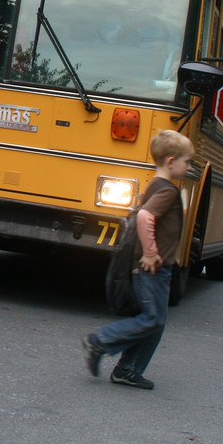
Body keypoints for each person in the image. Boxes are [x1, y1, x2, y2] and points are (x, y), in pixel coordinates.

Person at [81, 130, 193, 390]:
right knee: (152, 319)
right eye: (187, 162)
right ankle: (99, 340)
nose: (189, 167)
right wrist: (151, 252)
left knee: (156, 322)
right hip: (153, 268)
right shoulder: (168, 192)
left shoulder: (155, 184)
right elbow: (145, 217)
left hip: (153, 268)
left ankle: (128, 369)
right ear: (171, 161)